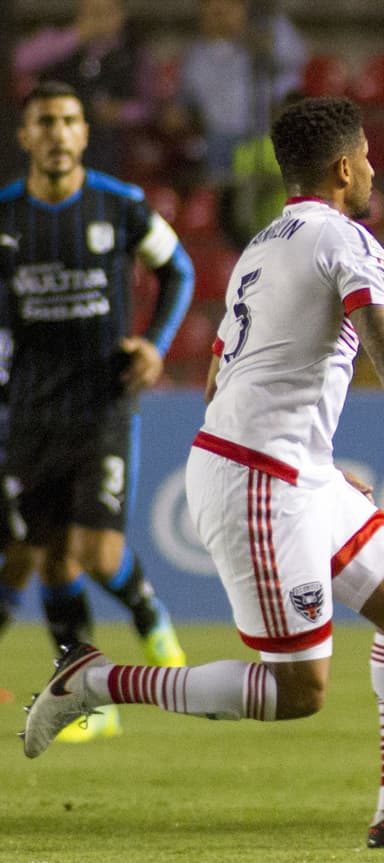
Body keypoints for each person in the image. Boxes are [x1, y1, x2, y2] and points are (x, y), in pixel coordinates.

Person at [22, 95, 384, 851]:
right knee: (296, 691)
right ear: (344, 168)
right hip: (258, 480)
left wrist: (314, 460)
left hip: (289, 469)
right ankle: (91, 679)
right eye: (368, 156)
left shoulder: (261, 246)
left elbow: (223, 379)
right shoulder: (347, 240)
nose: (376, 167)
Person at [1, 80, 193, 741]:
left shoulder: (124, 206)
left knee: (97, 549)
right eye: (44, 121)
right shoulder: (5, 217)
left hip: (102, 403)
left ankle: (150, 617)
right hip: (28, 411)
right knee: (51, 559)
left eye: (68, 120)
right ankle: (88, 697)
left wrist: (155, 344)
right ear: (26, 136)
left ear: (84, 134)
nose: (57, 132)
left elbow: (181, 271)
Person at [162, 0, 308, 186]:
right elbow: (185, 101)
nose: (219, 14)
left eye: (226, 8)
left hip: (263, 138)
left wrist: (255, 39)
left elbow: (296, 59)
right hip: (217, 143)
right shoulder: (195, 56)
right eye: (211, 9)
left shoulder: (267, 29)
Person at [13, 0, 158, 175]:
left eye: (106, 12)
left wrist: (120, 112)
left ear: (121, 15)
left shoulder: (135, 53)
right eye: (92, 12)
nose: (99, 20)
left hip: (111, 143)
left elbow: (150, 108)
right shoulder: (61, 41)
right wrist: (78, 35)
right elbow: (21, 61)